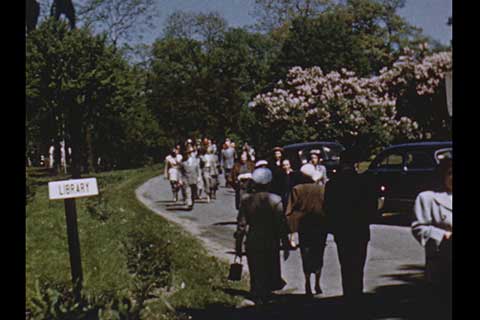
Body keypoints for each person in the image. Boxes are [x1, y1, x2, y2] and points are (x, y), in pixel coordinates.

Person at [323, 150, 377, 303]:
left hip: (342, 230)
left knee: (345, 263)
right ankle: (357, 293)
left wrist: (333, 227)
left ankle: (348, 294)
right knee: (358, 263)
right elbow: (372, 206)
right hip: (360, 228)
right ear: (356, 164)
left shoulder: (332, 184)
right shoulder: (365, 182)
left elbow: (328, 209)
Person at [234, 168, 291, 305]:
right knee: (270, 265)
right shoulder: (276, 200)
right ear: (269, 183)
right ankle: (267, 294)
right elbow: (280, 223)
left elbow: (241, 225)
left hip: (253, 238)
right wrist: (285, 243)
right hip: (271, 239)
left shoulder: (246, 200)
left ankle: (256, 293)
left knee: (255, 266)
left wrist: (238, 246)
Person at [411, 158, 452, 303]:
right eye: (450, 173)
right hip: (441, 263)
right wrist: (443, 235)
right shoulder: (427, 198)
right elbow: (419, 227)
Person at [285, 164, 327, 296]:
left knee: (306, 254)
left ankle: (307, 283)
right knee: (319, 254)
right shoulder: (322, 189)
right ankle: (317, 283)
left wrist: (291, 231)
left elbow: (289, 211)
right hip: (320, 226)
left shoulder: (297, 189)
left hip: (304, 226)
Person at [180, 146, 201, 210]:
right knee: (187, 191)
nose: (187, 155)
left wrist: (199, 177)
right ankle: (189, 203)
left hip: (194, 178)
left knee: (193, 192)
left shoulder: (195, 161)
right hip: (186, 179)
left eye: (188, 153)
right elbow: (180, 172)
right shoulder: (183, 162)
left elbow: (198, 169)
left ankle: (192, 202)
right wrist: (180, 179)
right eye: (186, 154)